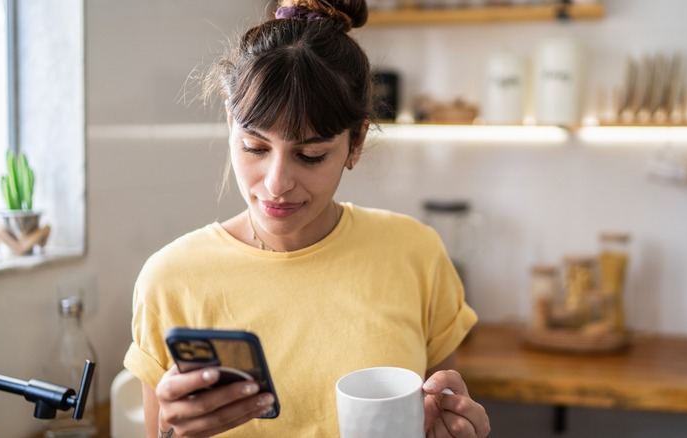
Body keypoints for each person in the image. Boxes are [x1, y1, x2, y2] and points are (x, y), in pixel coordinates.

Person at [123, 0, 491, 436]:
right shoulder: (169, 279)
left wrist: (455, 428)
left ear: (356, 143)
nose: (277, 183)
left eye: (310, 155)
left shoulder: (415, 253)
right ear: (229, 120)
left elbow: (435, 413)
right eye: (255, 147)